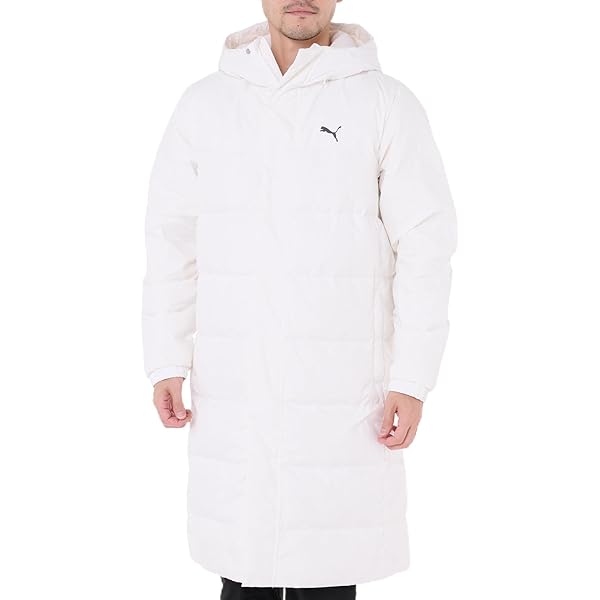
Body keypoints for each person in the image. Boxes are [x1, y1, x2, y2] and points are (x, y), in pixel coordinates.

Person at [142, 1, 458, 598]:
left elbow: (425, 247)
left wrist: (413, 379)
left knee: (328, 569)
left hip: (343, 393)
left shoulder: (384, 103)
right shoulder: (206, 105)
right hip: (236, 388)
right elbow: (171, 240)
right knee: (243, 567)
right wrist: (165, 359)